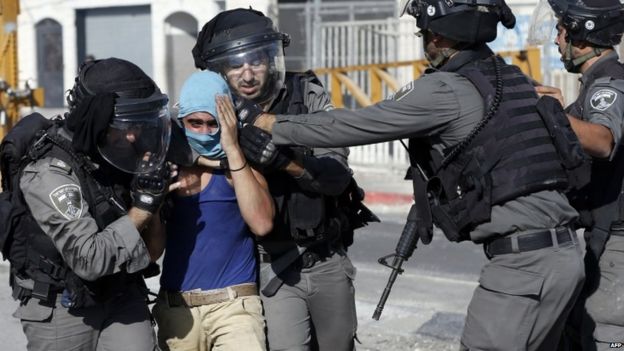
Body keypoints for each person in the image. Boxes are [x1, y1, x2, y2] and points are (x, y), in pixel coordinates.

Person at [222, 0, 590, 349]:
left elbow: (354, 123)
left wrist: (269, 122)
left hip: (522, 268)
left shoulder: (443, 89)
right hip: (566, 257)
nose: (424, 41)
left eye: (424, 32)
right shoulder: (512, 77)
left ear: (440, 37)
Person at [192, 8, 363, 351]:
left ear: (271, 60)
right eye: (236, 65)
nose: (248, 73)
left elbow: (336, 175)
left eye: (256, 61)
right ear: (221, 71)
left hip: (325, 254)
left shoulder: (307, 96)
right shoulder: (213, 111)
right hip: (273, 266)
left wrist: (286, 162)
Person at [0, 58, 175, 350]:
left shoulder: (117, 155)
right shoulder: (49, 172)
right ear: (97, 119)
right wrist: (143, 207)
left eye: (138, 125)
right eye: (125, 126)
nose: (134, 135)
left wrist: (153, 202)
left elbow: (153, 251)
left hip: (120, 296)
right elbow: (88, 260)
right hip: (63, 307)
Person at [151, 70, 274, 351]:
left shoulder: (240, 168)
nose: (205, 132)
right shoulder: (166, 169)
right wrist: (154, 203)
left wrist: (232, 150)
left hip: (235, 307)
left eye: (213, 123)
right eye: (195, 123)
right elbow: (152, 251)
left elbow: (262, 223)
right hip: (177, 311)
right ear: (181, 121)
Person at [530, 0, 624, 349]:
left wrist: (555, 114)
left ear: (583, 37)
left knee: (604, 335)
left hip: (617, 242)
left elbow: (601, 141)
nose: (556, 40)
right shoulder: (594, 83)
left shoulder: (610, 84)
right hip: (600, 232)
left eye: (561, 31)